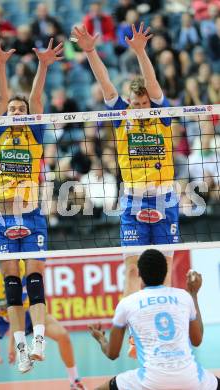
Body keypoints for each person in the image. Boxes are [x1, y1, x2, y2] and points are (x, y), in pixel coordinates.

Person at [72, 23, 179, 298]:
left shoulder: (161, 115)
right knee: (132, 268)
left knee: (163, 267)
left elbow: (153, 87)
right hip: (133, 200)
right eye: (136, 104)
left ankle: (159, 318)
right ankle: (133, 334)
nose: (141, 108)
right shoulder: (121, 116)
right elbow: (106, 85)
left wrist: (142, 53)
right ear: (129, 103)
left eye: (145, 104)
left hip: (164, 198)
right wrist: (91, 51)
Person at [0, 37, 63, 373]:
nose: (17, 111)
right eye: (13, 110)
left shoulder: (33, 130)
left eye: (21, 110)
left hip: (31, 214)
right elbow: (1, 99)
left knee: (34, 280)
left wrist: (43, 66)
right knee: (11, 284)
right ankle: (20, 347)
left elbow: (36, 98)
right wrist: (0, 67)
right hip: (2, 218)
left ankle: (39, 339)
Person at [88, 249, 220, 390]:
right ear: (165, 273)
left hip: (150, 382)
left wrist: (101, 339)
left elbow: (112, 354)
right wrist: (193, 294)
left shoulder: (127, 303)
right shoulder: (184, 296)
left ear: (139, 273)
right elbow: (197, 340)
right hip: (192, 380)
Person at [0, 260, 87, 389]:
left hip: (25, 314)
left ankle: (74, 380)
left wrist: (12, 346)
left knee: (63, 336)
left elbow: (16, 310)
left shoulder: (23, 267)